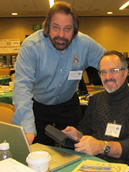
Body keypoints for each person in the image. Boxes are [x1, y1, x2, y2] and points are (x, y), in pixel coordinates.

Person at [12, 2, 105, 146]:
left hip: (68, 104)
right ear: (47, 26)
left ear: (74, 30)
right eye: (56, 28)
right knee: (39, 149)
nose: (61, 35)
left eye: (67, 29)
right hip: (39, 105)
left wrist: (127, 95)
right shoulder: (31, 47)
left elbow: (111, 65)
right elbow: (22, 88)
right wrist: (28, 128)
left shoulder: (84, 44)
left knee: (75, 149)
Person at [63, 51, 129, 172]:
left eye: (114, 70)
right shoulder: (96, 100)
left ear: (125, 73)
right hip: (91, 165)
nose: (108, 76)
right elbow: (85, 129)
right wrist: (78, 134)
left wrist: (101, 147)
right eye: (103, 72)